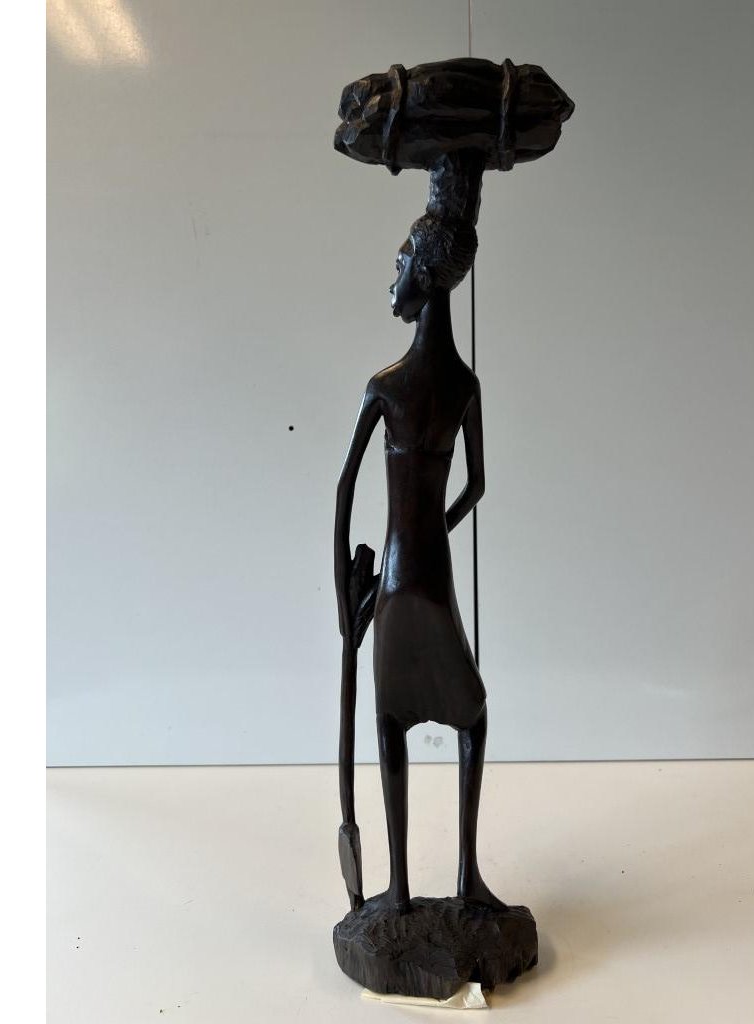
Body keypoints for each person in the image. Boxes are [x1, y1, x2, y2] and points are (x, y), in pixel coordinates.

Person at [333, 208, 506, 912]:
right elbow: (477, 486)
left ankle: (400, 891)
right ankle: (465, 879)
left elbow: (344, 490)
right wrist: (436, 527)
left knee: (388, 720)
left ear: (428, 275)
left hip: (393, 583)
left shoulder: (387, 384)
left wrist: (347, 597)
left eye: (402, 261)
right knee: (472, 717)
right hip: (433, 579)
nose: (394, 278)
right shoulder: (463, 386)